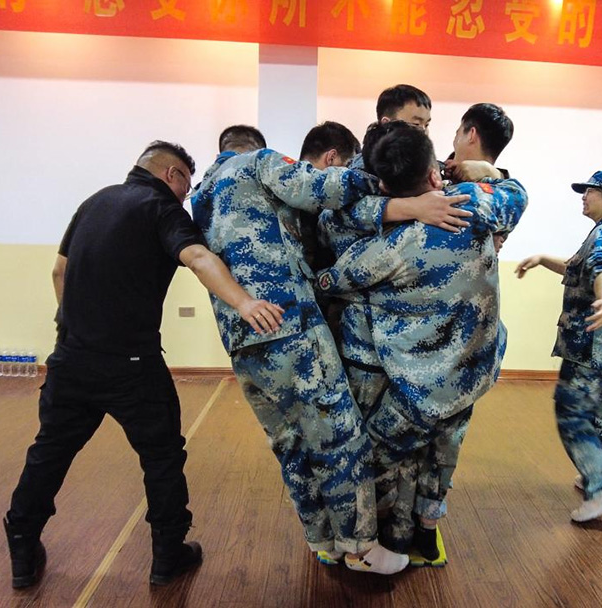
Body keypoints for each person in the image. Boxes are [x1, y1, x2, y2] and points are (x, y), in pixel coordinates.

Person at [4, 141, 285, 588]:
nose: (185, 196)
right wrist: (245, 302)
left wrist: (74, 325)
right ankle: (167, 555)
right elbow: (197, 256)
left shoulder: (93, 202)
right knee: (162, 457)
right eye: (186, 186)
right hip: (132, 365)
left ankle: (21, 545)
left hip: (72, 359)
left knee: (49, 453)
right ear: (172, 174)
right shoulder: (161, 208)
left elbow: (59, 271)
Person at [192, 124, 470, 575]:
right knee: (341, 438)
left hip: (243, 339)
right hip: (289, 323)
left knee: (292, 445)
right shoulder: (259, 162)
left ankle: (324, 540)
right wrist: (392, 187)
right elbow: (320, 188)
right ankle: (361, 549)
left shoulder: (202, 194)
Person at [315, 122, 527, 561]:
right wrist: (486, 172)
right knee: (444, 451)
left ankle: (381, 543)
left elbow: (332, 272)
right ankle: (426, 530)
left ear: (383, 185)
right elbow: (517, 195)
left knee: (374, 454)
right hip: (474, 370)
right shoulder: (473, 206)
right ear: (434, 174)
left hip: (417, 389)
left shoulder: (386, 249)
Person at [516, 169, 602, 522]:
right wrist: (542, 259)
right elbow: (579, 267)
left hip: (592, 345)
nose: (584, 197)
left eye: (590, 191)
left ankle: (599, 489)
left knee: (571, 412)